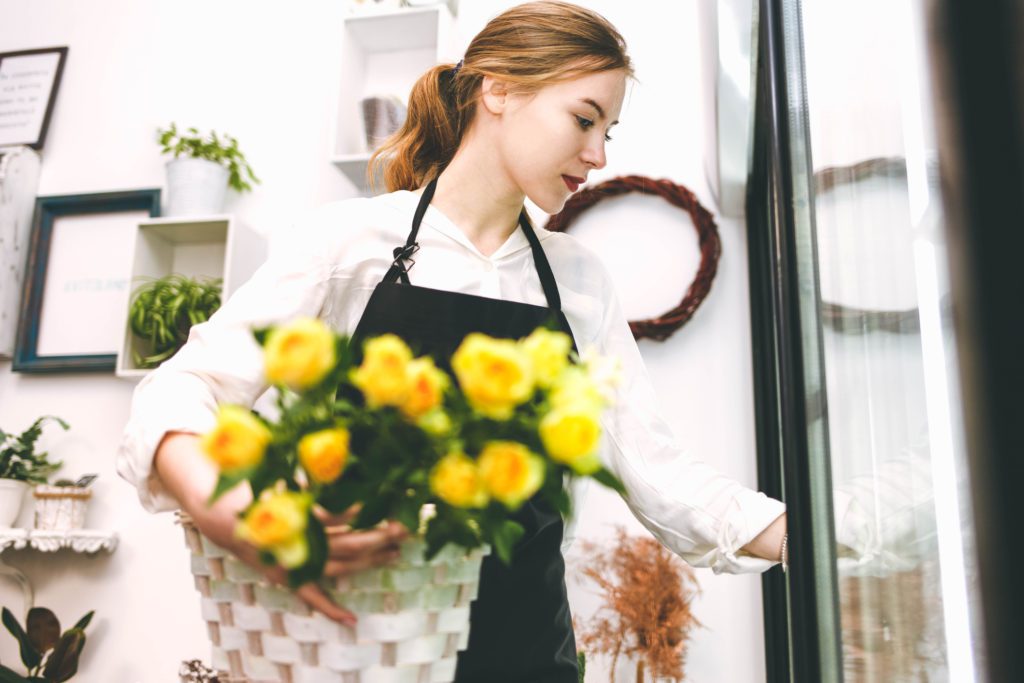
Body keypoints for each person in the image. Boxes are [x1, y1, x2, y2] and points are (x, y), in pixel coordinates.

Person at [116, 2, 787, 681]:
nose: (599, 154)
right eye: (584, 119)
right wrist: (239, 514)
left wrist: (805, 534)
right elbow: (180, 389)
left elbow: (658, 470)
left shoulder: (578, 280)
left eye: (608, 129)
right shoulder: (351, 244)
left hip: (529, 654)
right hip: (365, 650)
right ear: (498, 90)